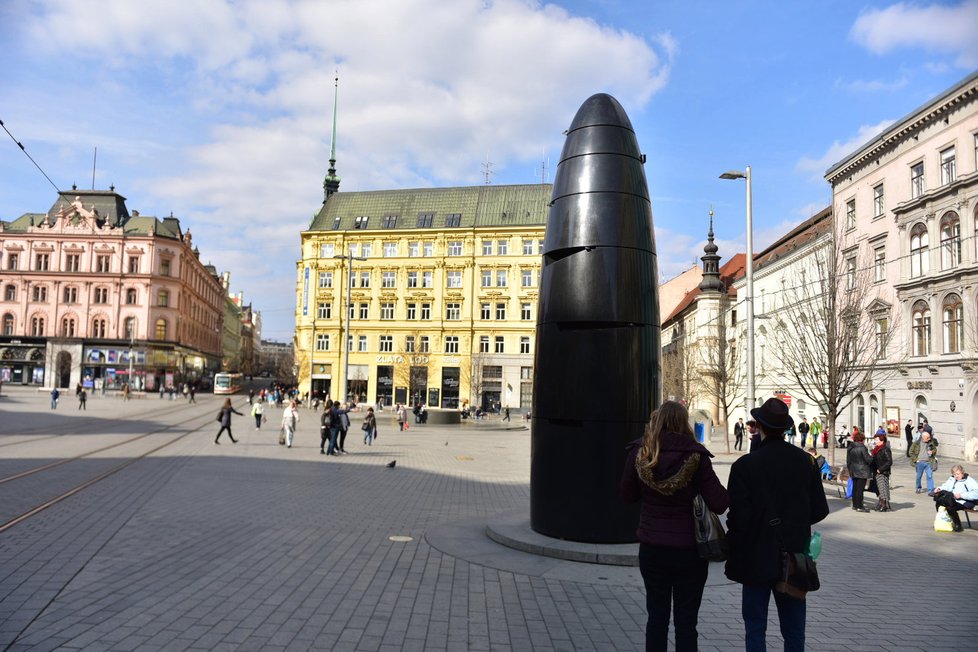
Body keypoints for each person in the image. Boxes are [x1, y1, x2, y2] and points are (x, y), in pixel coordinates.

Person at [620, 401, 730, 652]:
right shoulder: (697, 455)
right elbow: (719, 503)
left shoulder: (641, 452)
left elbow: (626, 496)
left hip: (652, 548)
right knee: (686, 622)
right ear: (684, 422)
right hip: (689, 551)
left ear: (657, 421)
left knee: (656, 618)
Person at [725, 397, 829, 652]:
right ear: (786, 429)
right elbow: (819, 510)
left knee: (755, 627)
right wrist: (794, 521)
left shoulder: (745, 465)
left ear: (759, 426)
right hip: (792, 557)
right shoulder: (806, 462)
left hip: (755, 555)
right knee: (794, 631)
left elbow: (738, 518)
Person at [932, 465, 978, 533]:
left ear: (962, 473)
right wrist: (939, 488)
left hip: (966, 501)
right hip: (954, 499)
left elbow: (976, 493)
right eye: (954, 474)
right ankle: (946, 521)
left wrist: (961, 495)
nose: (956, 476)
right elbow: (947, 486)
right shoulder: (952, 478)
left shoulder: (969, 481)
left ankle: (958, 525)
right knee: (939, 502)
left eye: (958, 474)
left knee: (950, 506)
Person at [846, 431, 872, 512]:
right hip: (862, 471)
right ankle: (859, 506)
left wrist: (850, 469)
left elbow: (848, 460)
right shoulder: (862, 448)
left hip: (853, 470)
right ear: (862, 440)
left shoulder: (851, 447)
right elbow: (868, 459)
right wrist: (872, 456)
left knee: (855, 488)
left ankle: (855, 505)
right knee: (860, 489)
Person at [869, 432, 892, 512]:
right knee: (879, 489)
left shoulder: (885, 449)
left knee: (883, 489)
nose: (875, 441)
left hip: (882, 472)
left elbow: (889, 462)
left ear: (882, 440)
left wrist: (880, 469)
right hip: (876, 472)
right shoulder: (876, 449)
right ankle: (881, 503)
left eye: (876, 439)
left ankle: (884, 505)